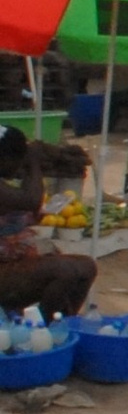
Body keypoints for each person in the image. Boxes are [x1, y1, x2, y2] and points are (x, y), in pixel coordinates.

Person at [0, 128, 93, 318]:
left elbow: (21, 209)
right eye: (17, 160)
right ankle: (41, 329)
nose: (19, 166)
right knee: (64, 272)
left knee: (87, 267)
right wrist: (33, 162)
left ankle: (63, 324)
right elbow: (31, 200)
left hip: (13, 260)